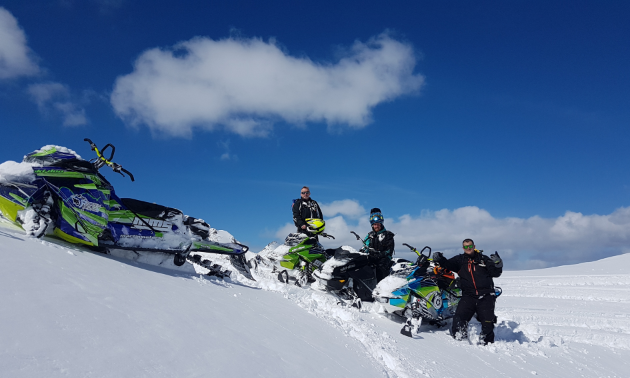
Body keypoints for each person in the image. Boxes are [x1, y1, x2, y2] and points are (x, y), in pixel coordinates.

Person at [432, 239, 503, 345]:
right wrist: (439, 259)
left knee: (487, 321)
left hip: (486, 294)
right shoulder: (460, 260)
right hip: (468, 295)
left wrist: (498, 263)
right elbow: (447, 264)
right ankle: (460, 340)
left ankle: (486, 343)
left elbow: (495, 273)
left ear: (474, 246)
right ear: (463, 248)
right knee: (459, 318)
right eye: (466, 247)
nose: (468, 248)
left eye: (470, 246)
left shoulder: (483, 259)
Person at [363, 208, 395, 282]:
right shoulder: (369, 235)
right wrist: (363, 252)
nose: (376, 226)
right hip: (371, 259)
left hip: (384, 261)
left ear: (381, 224)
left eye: (378, 224)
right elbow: (365, 247)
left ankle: (382, 290)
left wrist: (379, 254)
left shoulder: (388, 235)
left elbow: (389, 250)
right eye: (374, 224)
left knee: (381, 269)